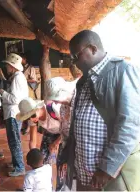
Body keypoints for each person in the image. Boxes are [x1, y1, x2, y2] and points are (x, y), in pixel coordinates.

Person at [65, 30, 140, 191]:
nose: (74, 63)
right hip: (85, 171)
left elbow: (130, 124)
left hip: (109, 176)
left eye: (75, 56)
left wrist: (107, 168)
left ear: (92, 48)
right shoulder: (83, 80)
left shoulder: (123, 71)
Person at [0, 53, 28, 177]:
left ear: (12, 66)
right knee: (15, 139)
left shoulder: (17, 78)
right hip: (15, 113)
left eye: (7, 65)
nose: (6, 67)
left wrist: (2, 92)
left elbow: (14, 99)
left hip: (13, 113)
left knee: (14, 141)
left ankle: (19, 167)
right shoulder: (17, 76)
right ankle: (16, 163)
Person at [17, 97, 61, 164]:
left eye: (32, 115)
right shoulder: (32, 119)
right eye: (28, 118)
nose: (31, 119)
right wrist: (33, 155)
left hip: (66, 132)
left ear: (38, 108)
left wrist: (56, 143)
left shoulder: (54, 110)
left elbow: (69, 129)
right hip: (50, 131)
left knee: (62, 162)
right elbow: (32, 141)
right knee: (42, 160)